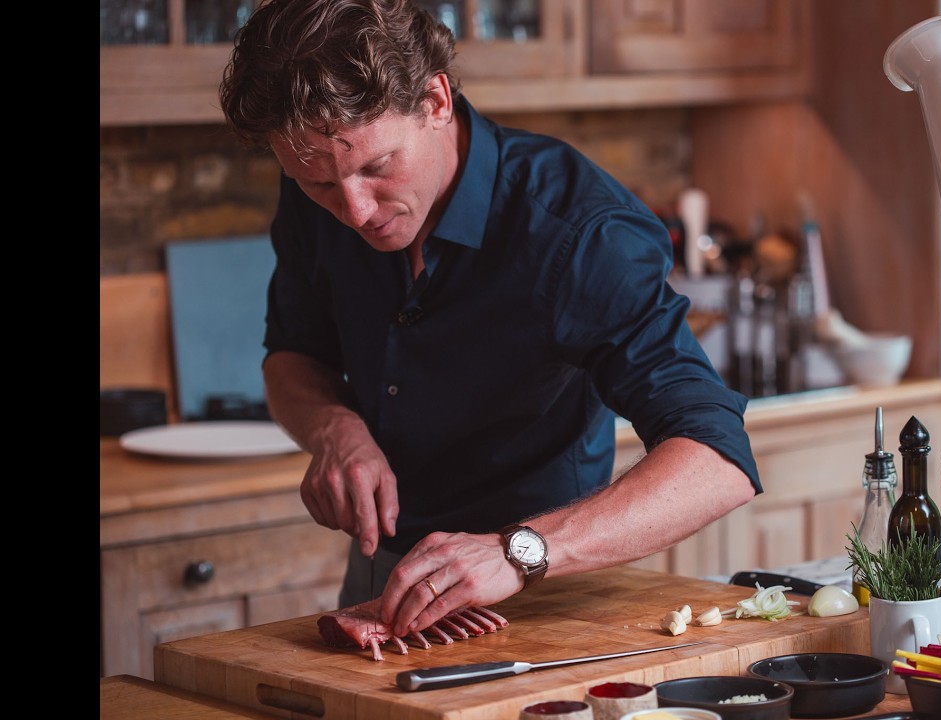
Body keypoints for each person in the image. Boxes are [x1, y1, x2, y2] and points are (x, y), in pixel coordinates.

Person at [219, 0, 761, 641]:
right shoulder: (323, 169)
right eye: (319, 186)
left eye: (376, 167)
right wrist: (334, 428)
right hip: (384, 580)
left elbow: (717, 460)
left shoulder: (581, 233)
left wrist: (515, 551)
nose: (355, 209)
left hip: (551, 583)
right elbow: (293, 355)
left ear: (436, 100)